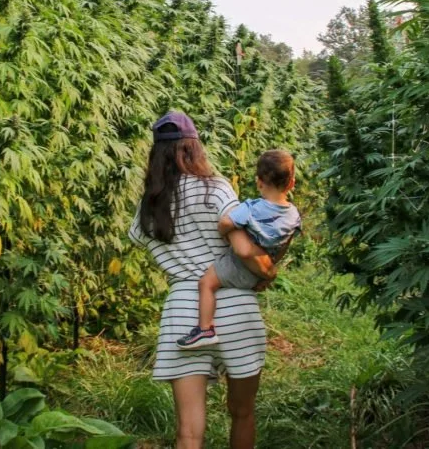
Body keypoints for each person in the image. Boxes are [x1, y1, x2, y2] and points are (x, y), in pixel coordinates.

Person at [128, 111, 275, 449]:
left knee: (188, 432)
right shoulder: (217, 189)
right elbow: (242, 246)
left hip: (182, 310)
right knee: (242, 413)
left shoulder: (150, 204)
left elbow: (138, 237)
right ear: (193, 147)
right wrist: (267, 272)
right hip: (235, 303)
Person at [177, 149, 301, 350]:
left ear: (259, 181)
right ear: (291, 183)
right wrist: (267, 271)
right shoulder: (294, 216)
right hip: (259, 271)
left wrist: (225, 232)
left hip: (238, 266)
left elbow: (226, 222)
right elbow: (284, 246)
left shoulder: (251, 207)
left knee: (206, 284)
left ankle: (205, 329)